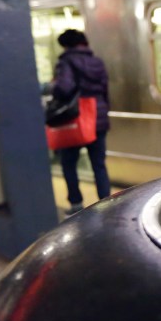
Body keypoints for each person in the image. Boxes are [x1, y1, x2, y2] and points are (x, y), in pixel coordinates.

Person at [51, 29, 111, 216]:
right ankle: (107, 202)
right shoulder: (97, 62)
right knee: (99, 164)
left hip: (75, 119)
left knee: (69, 163)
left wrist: (53, 85)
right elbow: (105, 90)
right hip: (97, 117)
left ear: (66, 45)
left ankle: (76, 203)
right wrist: (103, 111)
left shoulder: (66, 62)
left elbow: (64, 88)